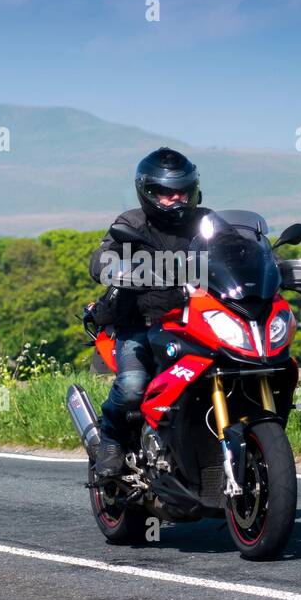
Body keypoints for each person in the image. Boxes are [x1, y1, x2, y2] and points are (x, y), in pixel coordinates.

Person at [87, 147, 209, 479]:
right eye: (166, 193)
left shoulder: (208, 222)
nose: (176, 199)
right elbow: (101, 257)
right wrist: (115, 268)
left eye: (182, 191)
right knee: (133, 386)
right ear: (148, 192)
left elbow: (239, 248)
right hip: (141, 323)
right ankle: (111, 438)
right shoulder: (131, 223)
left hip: (195, 322)